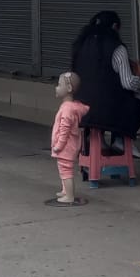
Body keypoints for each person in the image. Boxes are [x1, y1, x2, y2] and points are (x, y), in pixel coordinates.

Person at [69, 10, 140, 155]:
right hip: (108, 112)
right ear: (114, 27)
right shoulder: (117, 48)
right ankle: (121, 137)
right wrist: (138, 75)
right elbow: (128, 83)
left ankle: (95, 138)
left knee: (97, 94)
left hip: (80, 111)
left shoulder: (79, 46)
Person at [48, 72, 88, 207]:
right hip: (70, 145)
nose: (56, 87)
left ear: (69, 89)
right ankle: (65, 191)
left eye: (59, 85)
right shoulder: (70, 107)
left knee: (66, 171)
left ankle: (69, 196)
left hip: (66, 146)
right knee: (63, 169)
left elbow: (64, 130)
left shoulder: (67, 109)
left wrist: (59, 145)